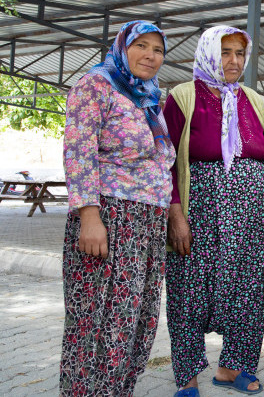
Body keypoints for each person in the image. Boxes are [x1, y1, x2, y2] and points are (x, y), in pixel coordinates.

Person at [162, 26, 264, 396]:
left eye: (239, 54)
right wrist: (176, 216)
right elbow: (166, 161)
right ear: (209, 53)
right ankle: (187, 376)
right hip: (201, 212)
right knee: (189, 290)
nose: (233, 61)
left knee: (249, 290)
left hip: (251, 217)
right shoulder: (182, 96)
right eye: (226, 52)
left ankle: (234, 368)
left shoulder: (257, 100)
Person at [61, 20, 175, 396]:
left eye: (158, 49)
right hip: (111, 218)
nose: (150, 55)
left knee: (135, 320)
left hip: (148, 221)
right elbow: (79, 153)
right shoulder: (96, 84)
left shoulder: (149, 95)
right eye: (141, 45)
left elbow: (162, 161)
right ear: (122, 47)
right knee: (96, 321)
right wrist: (88, 217)